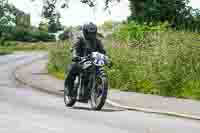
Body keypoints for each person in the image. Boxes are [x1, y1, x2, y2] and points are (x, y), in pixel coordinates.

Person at [65, 22, 106, 98]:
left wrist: (106, 57)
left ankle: (97, 89)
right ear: (85, 31)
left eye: (93, 33)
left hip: (92, 62)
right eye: (89, 33)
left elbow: (102, 51)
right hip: (80, 61)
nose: (91, 35)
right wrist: (75, 56)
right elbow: (74, 49)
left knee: (99, 70)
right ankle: (69, 89)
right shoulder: (80, 39)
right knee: (72, 69)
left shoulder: (97, 41)